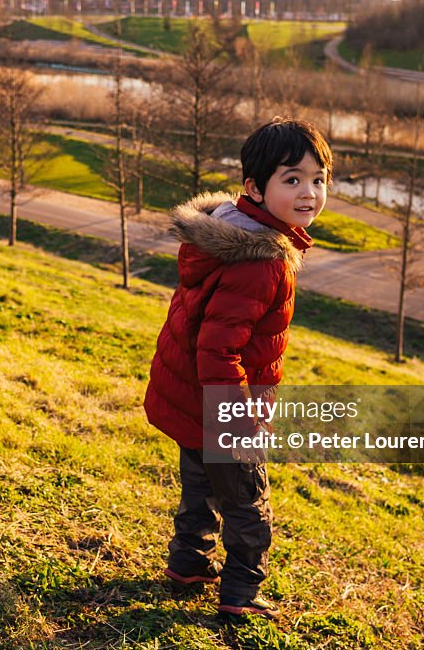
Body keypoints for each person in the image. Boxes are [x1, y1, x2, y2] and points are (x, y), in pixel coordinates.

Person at [142, 117, 331, 621]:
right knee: (248, 507)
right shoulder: (262, 259)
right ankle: (241, 596)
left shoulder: (234, 232)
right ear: (255, 187)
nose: (309, 192)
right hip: (223, 406)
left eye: (318, 179)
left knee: (199, 490)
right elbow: (217, 349)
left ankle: (189, 566)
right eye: (291, 179)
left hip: (192, 401)